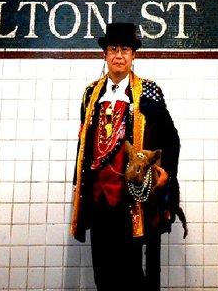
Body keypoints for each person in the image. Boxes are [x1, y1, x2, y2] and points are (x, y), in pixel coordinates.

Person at [70, 22, 181, 291]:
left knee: (131, 270)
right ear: (105, 55)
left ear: (134, 55)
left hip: (133, 197)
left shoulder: (149, 91)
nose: (118, 55)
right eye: (113, 49)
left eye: (125, 49)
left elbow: (171, 137)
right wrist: (78, 183)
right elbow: (83, 142)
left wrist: (167, 173)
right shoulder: (90, 93)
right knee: (103, 270)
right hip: (98, 195)